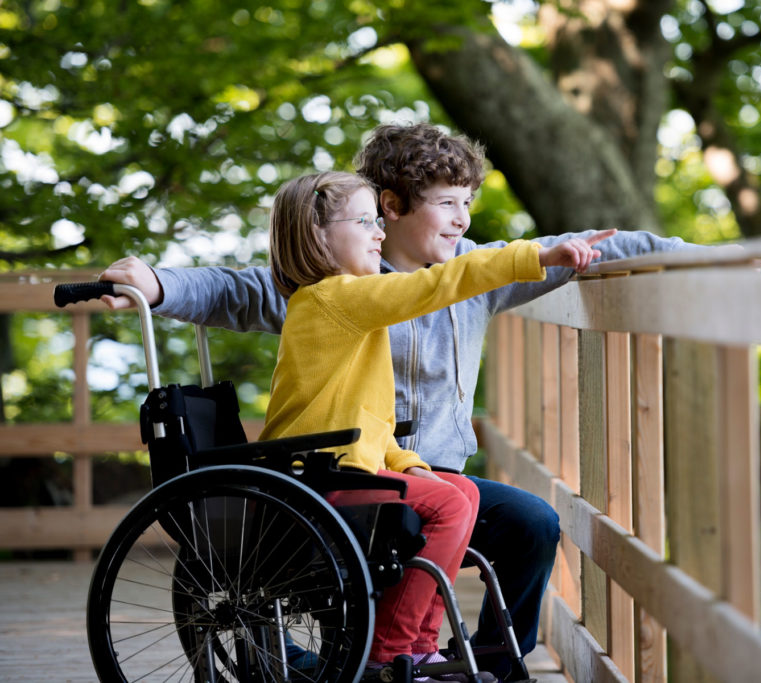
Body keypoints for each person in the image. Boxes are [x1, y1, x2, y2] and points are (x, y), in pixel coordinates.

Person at [99, 122, 709, 681]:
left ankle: (485, 662)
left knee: (533, 523)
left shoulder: (475, 273)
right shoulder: (327, 284)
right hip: (339, 477)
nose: (464, 221)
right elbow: (231, 287)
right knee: (436, 514)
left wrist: (696, 259)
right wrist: (158, 284)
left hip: (422, 470)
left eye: (467, 203)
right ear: (390, 209)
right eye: (447, 203)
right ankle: (382, 656)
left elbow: (590, 244)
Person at [257, 169, 611, 681]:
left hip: (345, 468)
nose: (379, 233)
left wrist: (413, 464)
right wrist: (531, 258)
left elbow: (369, 425)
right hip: (315, 482)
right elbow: (437, 284)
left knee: (458, 491)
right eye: (364, 221)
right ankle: (391, 649)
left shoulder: (350, 308)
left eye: (378, 221)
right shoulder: (332, 299)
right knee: (448, 502)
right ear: (319, 236)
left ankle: (420, 646)